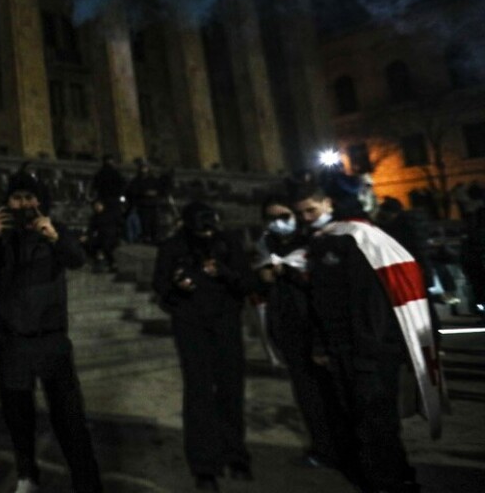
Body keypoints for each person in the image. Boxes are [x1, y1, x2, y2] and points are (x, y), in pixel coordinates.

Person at [293, 186, 441, 493]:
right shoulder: (350, 237)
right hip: (360, 346)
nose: (306, 219)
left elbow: (362, 301)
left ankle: (387, 480)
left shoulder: (350, 240)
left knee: (374, 418)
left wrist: (365, 348)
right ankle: (392, 475)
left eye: (311, 210)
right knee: (372, 417)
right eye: (301, 213)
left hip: (366, 349)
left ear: (328, 202)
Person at [0, 171, 100, 493]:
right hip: (13, 342)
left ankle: (86, 482)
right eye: (17, 198)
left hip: (51, 340)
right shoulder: (0, 237)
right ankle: (27, 474)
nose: (24, 204)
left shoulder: (54, 230)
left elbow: (77, 258)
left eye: (29, 197)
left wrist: (54, 236)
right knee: (19, 418)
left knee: (70, 418)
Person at [153, 202, 252, 491]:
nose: (206, 230)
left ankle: (236, 455)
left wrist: (224, 272)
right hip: (191, 326)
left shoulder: (228, 242)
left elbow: (246, 282)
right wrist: (177, 286)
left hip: (226, 325)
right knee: (198, 393)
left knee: (231, 390)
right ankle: (204, 465)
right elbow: (159, 284)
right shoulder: (172, 247)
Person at [252, 196, 342, 470]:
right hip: (290, 331)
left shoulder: (319, 240)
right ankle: (323, 448)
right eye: (271, 218)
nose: (279, 223)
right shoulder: (267, 245)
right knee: (308, 396)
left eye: (285, 215)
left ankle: (345, 448)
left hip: (320, 332)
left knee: (334, 395)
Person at [127, 160, 164, 243]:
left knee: (154, 222)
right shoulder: (136, 180)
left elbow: (160, 189)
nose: (144, 169)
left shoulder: (153, 180)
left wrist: (155, 193)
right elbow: (132, 191)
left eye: (146, 167)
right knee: (145, 222)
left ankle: (155, 236)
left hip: (153, 204)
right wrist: (144, 192)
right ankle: (146, 237)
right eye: (143, 167)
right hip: (143, 205)